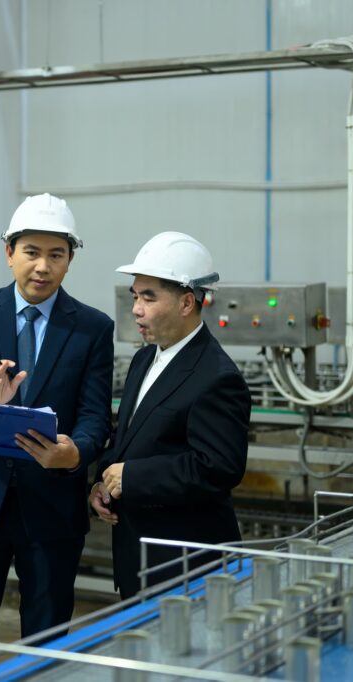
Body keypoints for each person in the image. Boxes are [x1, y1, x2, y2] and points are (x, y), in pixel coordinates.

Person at [0, 193, 114, 677]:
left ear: (70, 259)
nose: (42, 267)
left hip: (51, 506)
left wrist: (74, 456)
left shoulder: (93, 328)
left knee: (48, 636)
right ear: (8, 252)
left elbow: (96, 416)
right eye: (31, 251)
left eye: (56, 255)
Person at [89, 232, 250, 599]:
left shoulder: (217, 377)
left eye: (149, 297)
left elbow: (218, 468)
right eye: (135, 296)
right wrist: (102, 482)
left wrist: (132, 477)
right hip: (137, 557)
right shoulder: (145, 359)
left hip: (187, 566)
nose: (136, 309)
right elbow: (128, 439)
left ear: (186, 303)